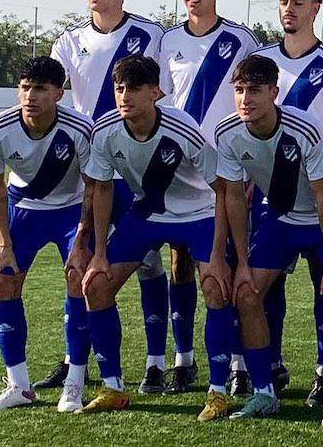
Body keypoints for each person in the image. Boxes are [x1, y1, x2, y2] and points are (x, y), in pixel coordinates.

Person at [50, 0, 177, 395]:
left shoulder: (150, 36)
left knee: (147, 263)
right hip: (88, 170)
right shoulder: (68, 41)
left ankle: (156, 362)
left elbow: (166, 96)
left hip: (138, 167)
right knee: (80, 264)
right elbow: (55, 99)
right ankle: (74, 362)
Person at [77, 55, 229, 413]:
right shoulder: (106, 131)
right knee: (94, 285)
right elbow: (100, 190)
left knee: (215, 287)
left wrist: (220, 255)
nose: (124, 95)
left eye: (133, 88)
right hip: (148, 215)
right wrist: (99, 252)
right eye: (119, 88)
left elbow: (223, 189)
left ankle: (218, 391)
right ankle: (113, 388)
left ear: (156, 93)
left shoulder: (183, 127)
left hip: (198, 214)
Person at [214, 55, 323, 425]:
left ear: (274, 93)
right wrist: (242, 262)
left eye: (256, 91)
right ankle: (264, 393)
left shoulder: (303, 127)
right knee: (246, 294)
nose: (246, 99)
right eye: (240, 90)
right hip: (282, 218)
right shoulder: (228, 132)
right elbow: (231, 196)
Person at [157, 0, 262, 400]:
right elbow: (161, 99)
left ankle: (238, 363)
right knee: (180, 264)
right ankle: (184, 359)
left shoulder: (241, 40)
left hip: (230, 169)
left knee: (235, 265)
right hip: (179, 171)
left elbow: (254, 98)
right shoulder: (166, 41)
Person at [250, 0, 323, 407]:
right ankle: (269, 368)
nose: (289, 8)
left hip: (320, 197)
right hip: (269, 199)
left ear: (317, 7)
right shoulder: (259, 60)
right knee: (263, 289)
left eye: (298, 1)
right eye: (283, 1)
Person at [0, 57, 93, 413]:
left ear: (59, 93)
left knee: (80, 279)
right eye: (25, 87)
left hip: (71, 211)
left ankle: (74, 384)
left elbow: (94, 187)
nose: (30, 96)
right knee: (3, 280)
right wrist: (2, 242)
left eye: (41, 89)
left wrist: (83, 237)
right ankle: (19, 386)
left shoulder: (80, 128)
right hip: (23, 210)